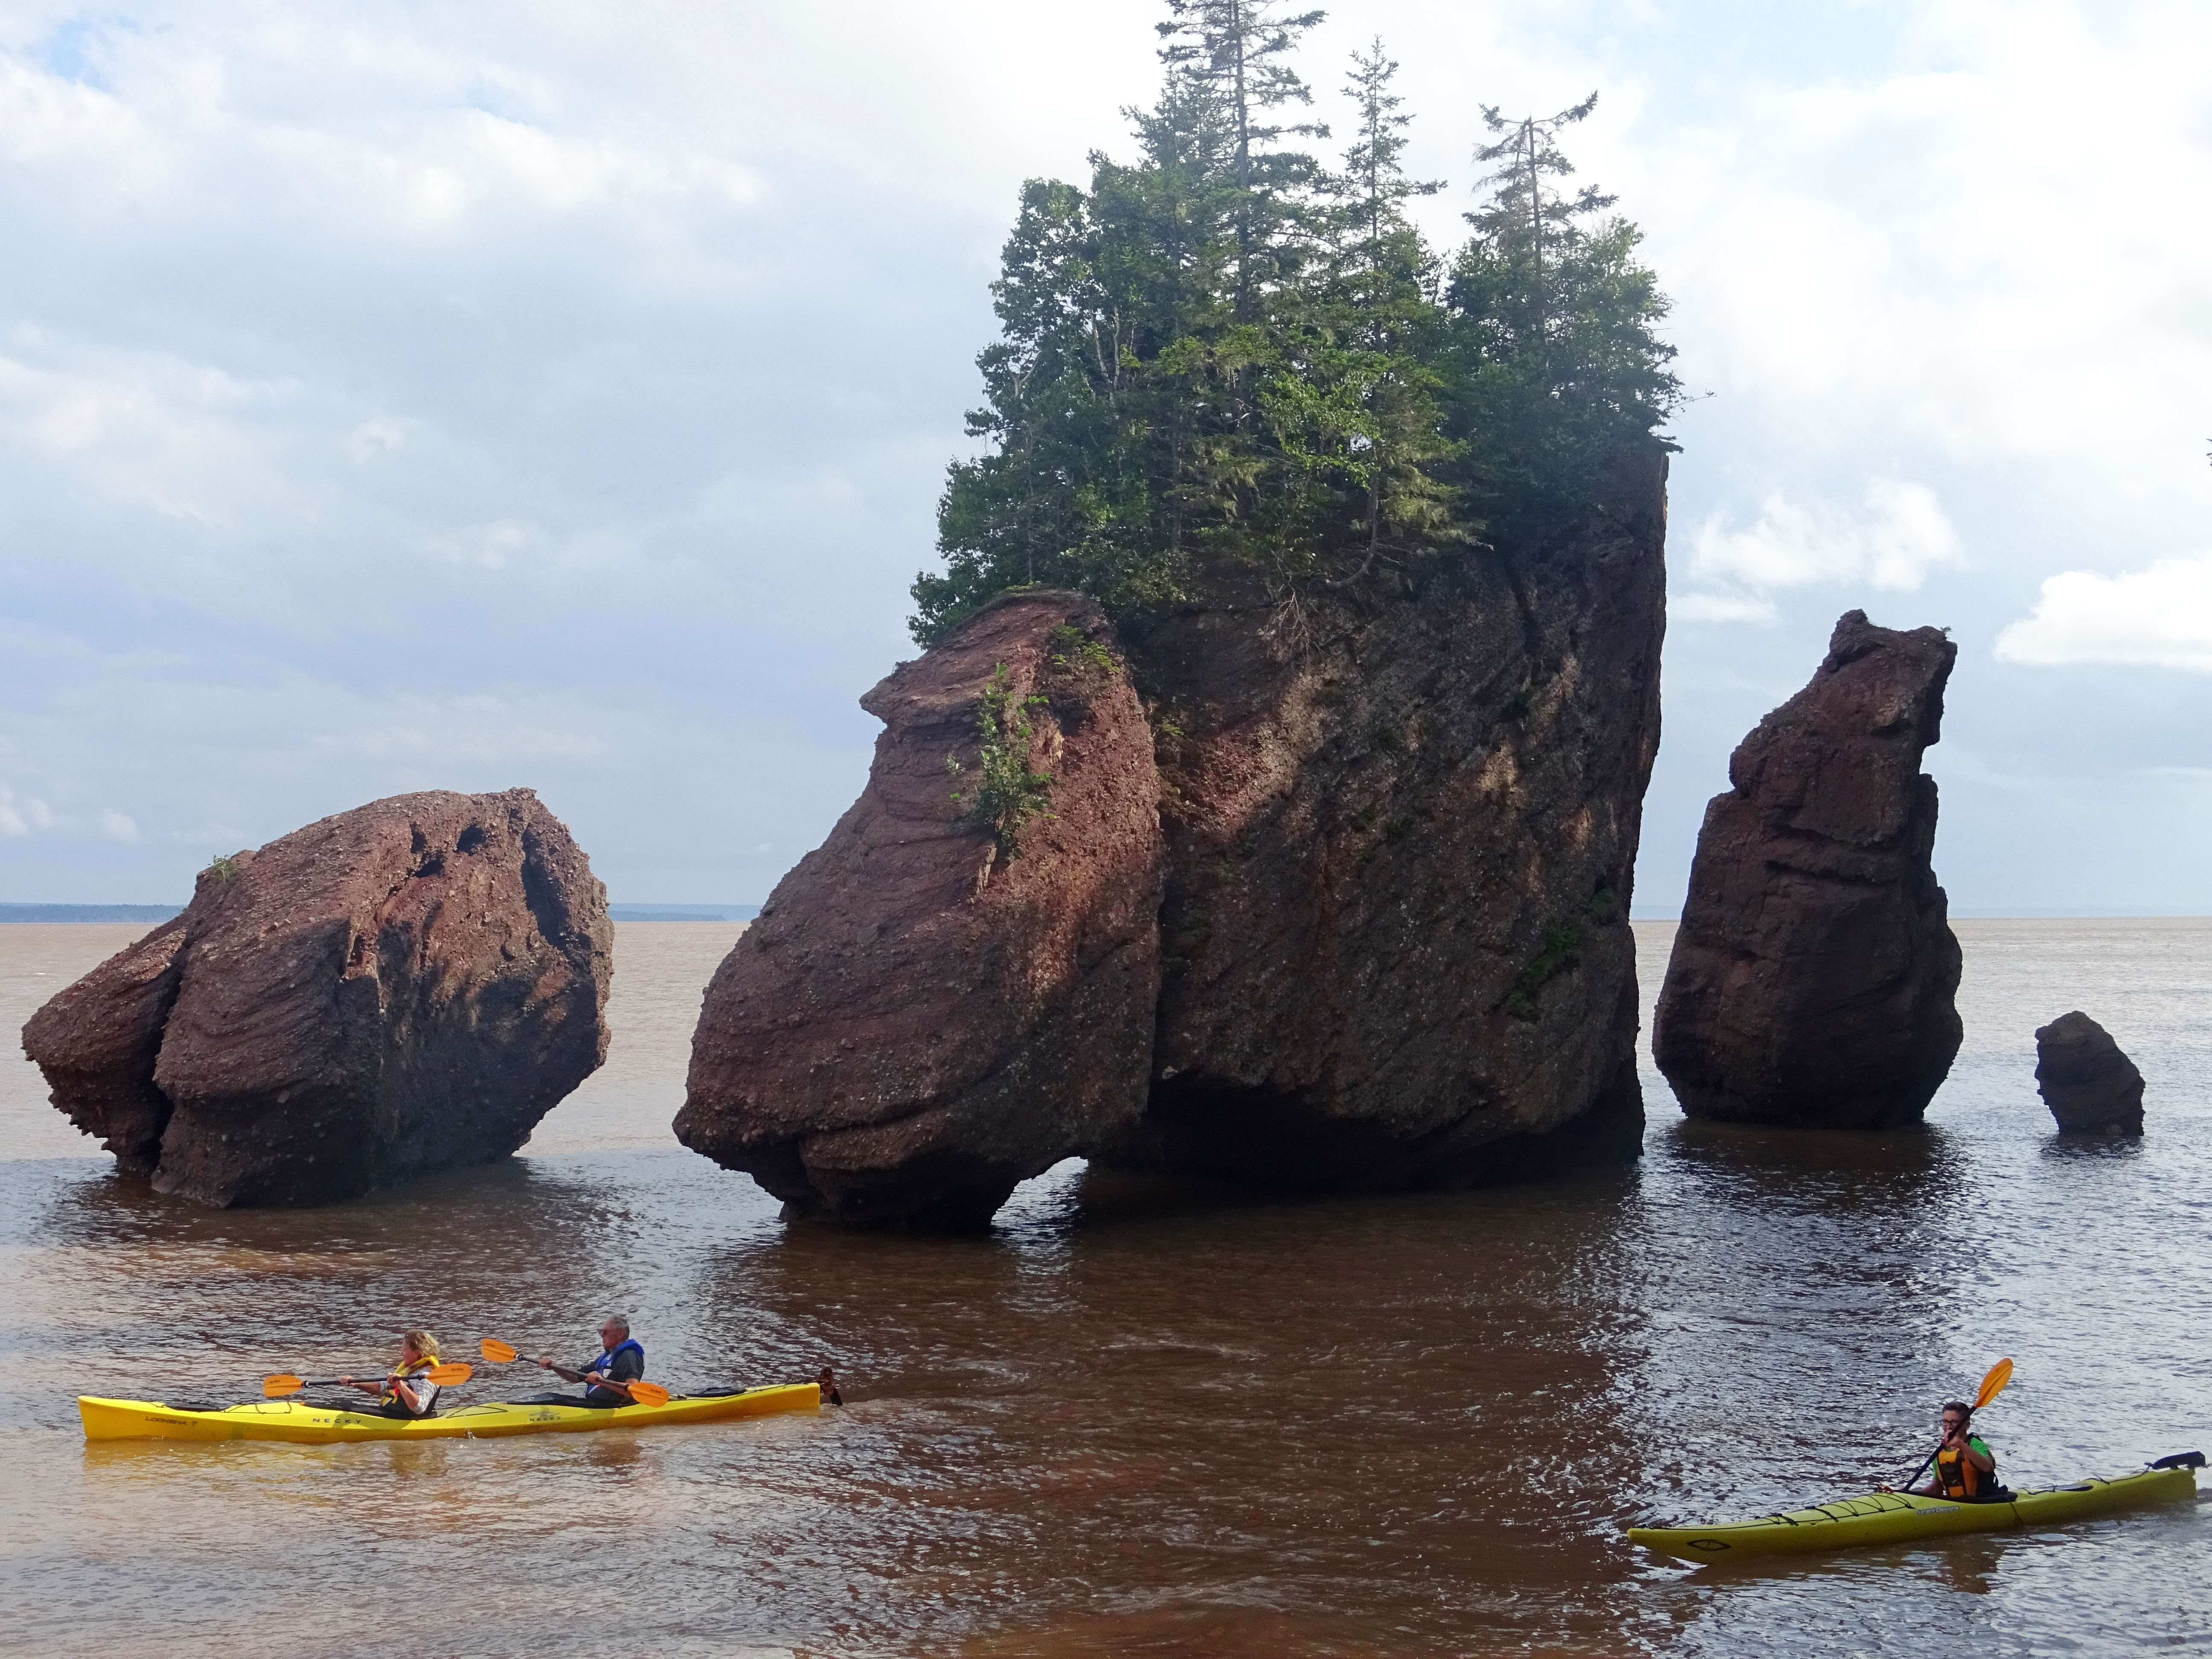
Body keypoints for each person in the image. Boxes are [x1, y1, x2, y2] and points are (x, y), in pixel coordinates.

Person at [1883, 1400, 2002, 1500]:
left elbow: (1988, 1467)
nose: (1949, 1427)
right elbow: (1936, 1489)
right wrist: (1906, 1494)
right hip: (1956, 1506)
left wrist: (1961, 1444)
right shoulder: (1940, 1453)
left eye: (1954, 1422)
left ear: (1967, 1425)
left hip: (1983, 1502)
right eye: (1945, 1421)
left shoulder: (1975, 1445)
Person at [528, 1315, 646, 1407]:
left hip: (612, 1407)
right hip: (595, 1404)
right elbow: (575, 1378)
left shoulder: (629, 1356)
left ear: (620, 1333)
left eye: (605, 1332)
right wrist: (554, 1366)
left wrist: (602, 1381)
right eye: (601, 1332)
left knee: (552, 1401)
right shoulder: (607, 1357)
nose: (602, 1335)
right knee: (549, 1397)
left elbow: (633, 1389)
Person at [333, 1330, 443, 1420]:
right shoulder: (410, 1370)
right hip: (390, 1415)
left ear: (417, 1352)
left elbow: (420, 1407)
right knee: (341, 1406)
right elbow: (382, 1388)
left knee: (347, 1410)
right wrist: (355, 1383)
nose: (401, 1354)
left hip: (403, 1419)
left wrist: (401, 1385)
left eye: (404, 1350)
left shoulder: (427, 1376)